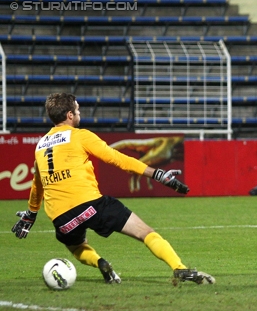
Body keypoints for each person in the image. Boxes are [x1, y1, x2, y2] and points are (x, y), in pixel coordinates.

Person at [11, 92, 214, 285]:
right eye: (78, 110)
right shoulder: (80, 136)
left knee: (76, 247)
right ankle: (178, 267)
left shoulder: (40, 146)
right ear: (69, 115)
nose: (80, 114)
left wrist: (31, 214)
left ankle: (101, 263)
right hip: (91, 204)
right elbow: (116, 158)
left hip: (62, 218)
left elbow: (37, 184)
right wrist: (158, 174)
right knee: (145, 232)